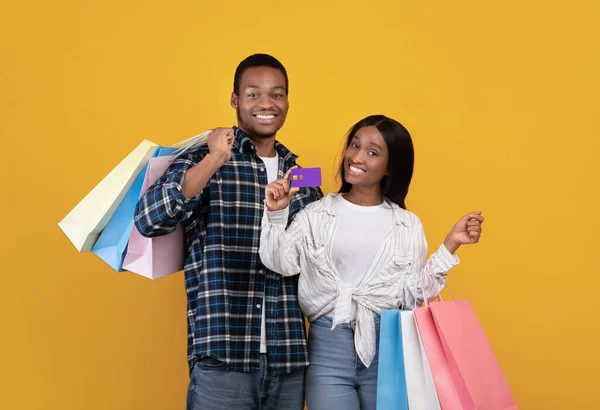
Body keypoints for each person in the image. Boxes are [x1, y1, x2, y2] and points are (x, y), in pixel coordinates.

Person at [134, 53, 322, 410]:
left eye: (277, 94)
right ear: (235, 100)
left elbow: (320, 261)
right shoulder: (205, 158)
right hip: (224, 356)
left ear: (287, 102)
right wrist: (215, 158)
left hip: (290, 360)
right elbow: (150, 220)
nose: (266, 103)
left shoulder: (302, 176)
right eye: (253, 94)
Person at [259, 114, 484, 410]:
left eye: (372, 152)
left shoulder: (407, 225)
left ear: (390, 167)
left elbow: (413, 293)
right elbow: (281, 262)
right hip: (327, 346)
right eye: (355, 145)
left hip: (388, 345)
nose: (357, 157)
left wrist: (450, 245)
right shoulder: (316, 214)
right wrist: (276, 215)